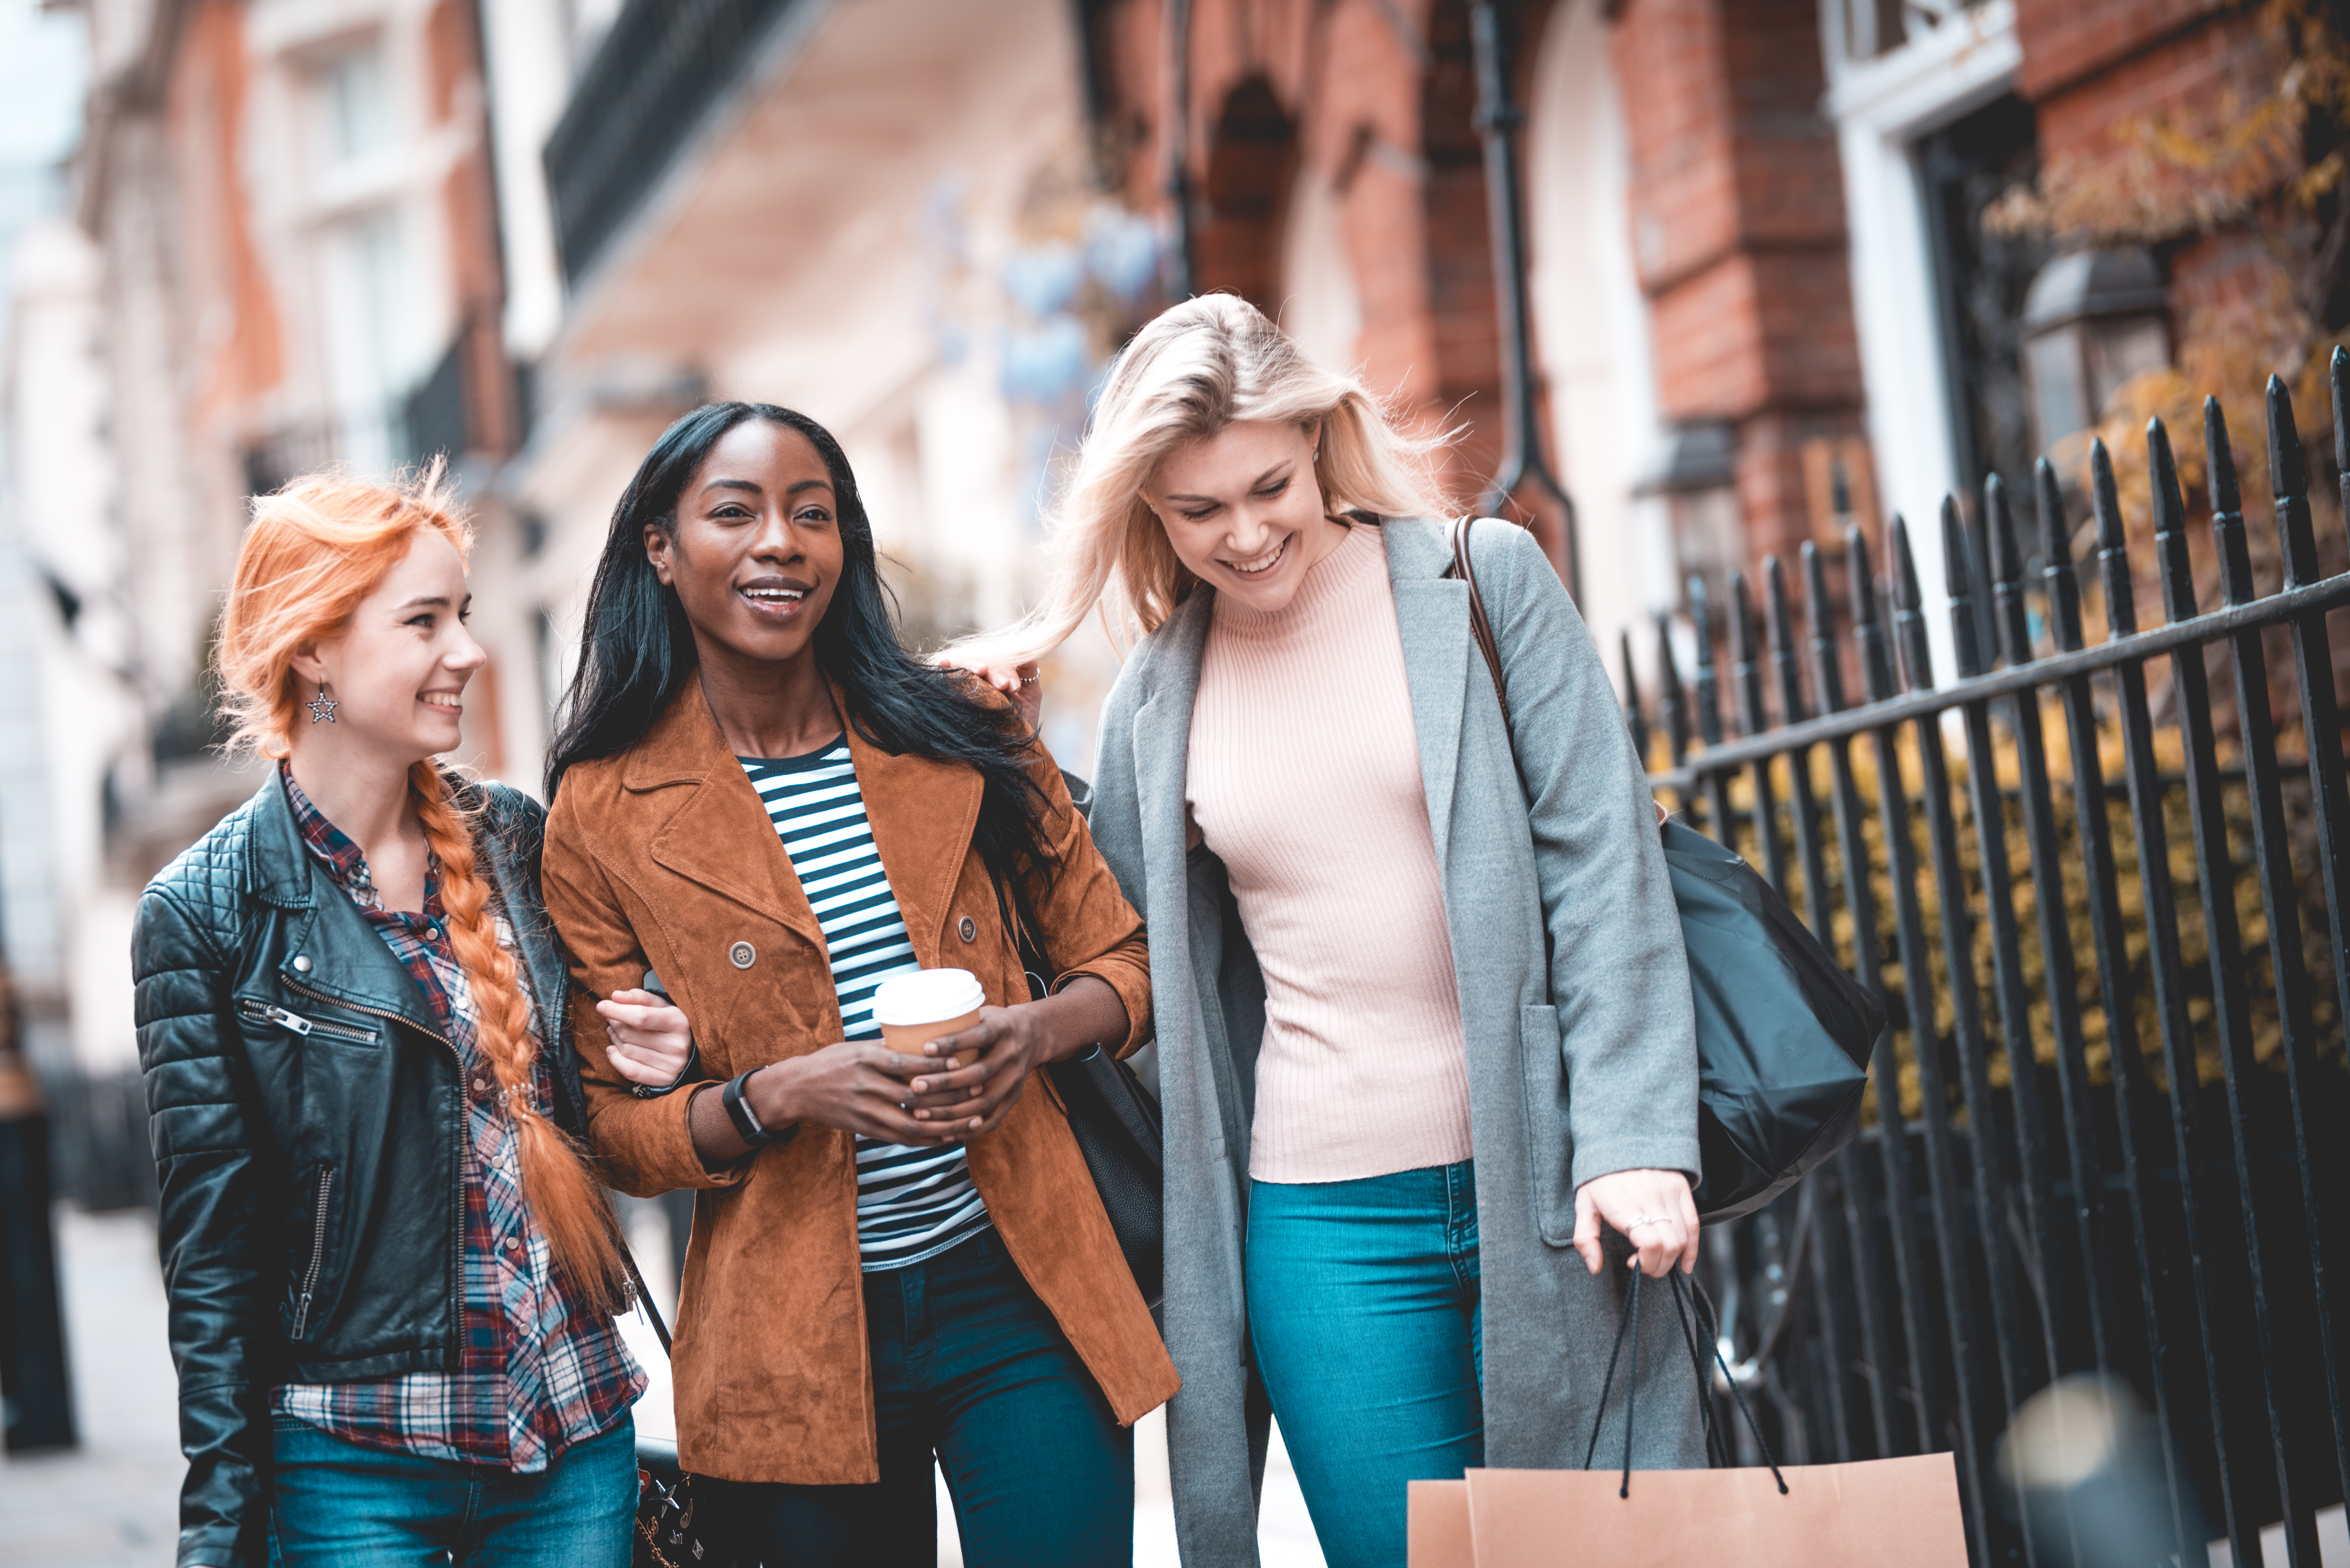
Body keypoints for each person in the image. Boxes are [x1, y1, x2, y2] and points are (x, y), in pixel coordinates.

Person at [944, 294, 1707, 1568]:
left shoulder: (1479, 581)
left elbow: (1603, 863)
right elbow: (1119, 950)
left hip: (1553, 1186)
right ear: (1149, 513)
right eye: (1200, 510)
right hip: (1324, 1232)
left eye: (1269, 488)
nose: (1246, 535)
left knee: (1604, 1556)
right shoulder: (1154, 700)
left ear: (1316, 441)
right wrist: (1016, 765)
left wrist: (1633, 1139)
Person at [537, 401, 1179, 1568]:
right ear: (661, 550)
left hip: (1023, 1289)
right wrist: (778, 1095)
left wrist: (1029, 1035)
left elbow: (1130, 962)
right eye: (736, 513)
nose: (781, 543)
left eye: (813, 514)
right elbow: (615, 1135)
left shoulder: (962, 726)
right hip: (791, 1339)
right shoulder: (601, 810)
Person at [131, 469, 693, 1568]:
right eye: (424, 621)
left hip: (572, 1432)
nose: (468, 652)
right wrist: (220, 1524)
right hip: (351, 1460)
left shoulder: (514, 841)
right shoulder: (205, 913)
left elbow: (593, 1114)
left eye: (463, 616)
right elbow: (212, 1257)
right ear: (313, 650)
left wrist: (656, 1054)